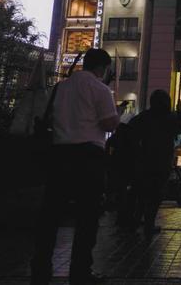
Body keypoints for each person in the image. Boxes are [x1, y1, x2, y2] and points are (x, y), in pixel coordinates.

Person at [31, 49, 120, 285]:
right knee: (87, 218)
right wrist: (117, 116)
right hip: (88, 157)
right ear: (103, 67)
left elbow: (48, 118)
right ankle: (80, 272)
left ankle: (40, 269)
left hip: (59, 155)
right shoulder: (100, 89)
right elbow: (109, 122)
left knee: (50, 215)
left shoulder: (61, 87)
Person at [127, 90, 181, 237]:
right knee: (155, 195)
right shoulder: (170, 118)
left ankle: (134, 222)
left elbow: (131, 128)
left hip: (144, 161)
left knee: (142, 194)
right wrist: (180, 112)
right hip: (162, 162)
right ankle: (149, 224)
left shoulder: (144, 117)